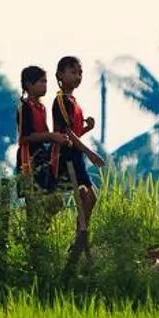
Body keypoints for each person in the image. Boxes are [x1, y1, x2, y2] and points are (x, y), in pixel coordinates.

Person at [50, 55, 105, 269]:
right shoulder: (61, 100)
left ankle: (80, 236)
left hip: (76, 154)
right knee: (85, 195)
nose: (78, 76)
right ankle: (80, 237)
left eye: (80, 72)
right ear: (60, 75)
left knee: (90, 197)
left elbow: (76, 133)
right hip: (66, 156)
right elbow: (66, 133)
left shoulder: (73, 101)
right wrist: (91, 153)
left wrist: (87, 129)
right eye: (73, 72)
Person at [14, 65, 70, 190]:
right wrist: (51, 136)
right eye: (41, 81)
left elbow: (43, 134)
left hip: (41, 155)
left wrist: (57, 137)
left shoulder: (41, 108)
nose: (45, 85)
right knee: (34, 198)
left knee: (48, 197)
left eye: (45, 82)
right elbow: (24, 138)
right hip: (28, 158)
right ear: (29, 84)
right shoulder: (25, 108)